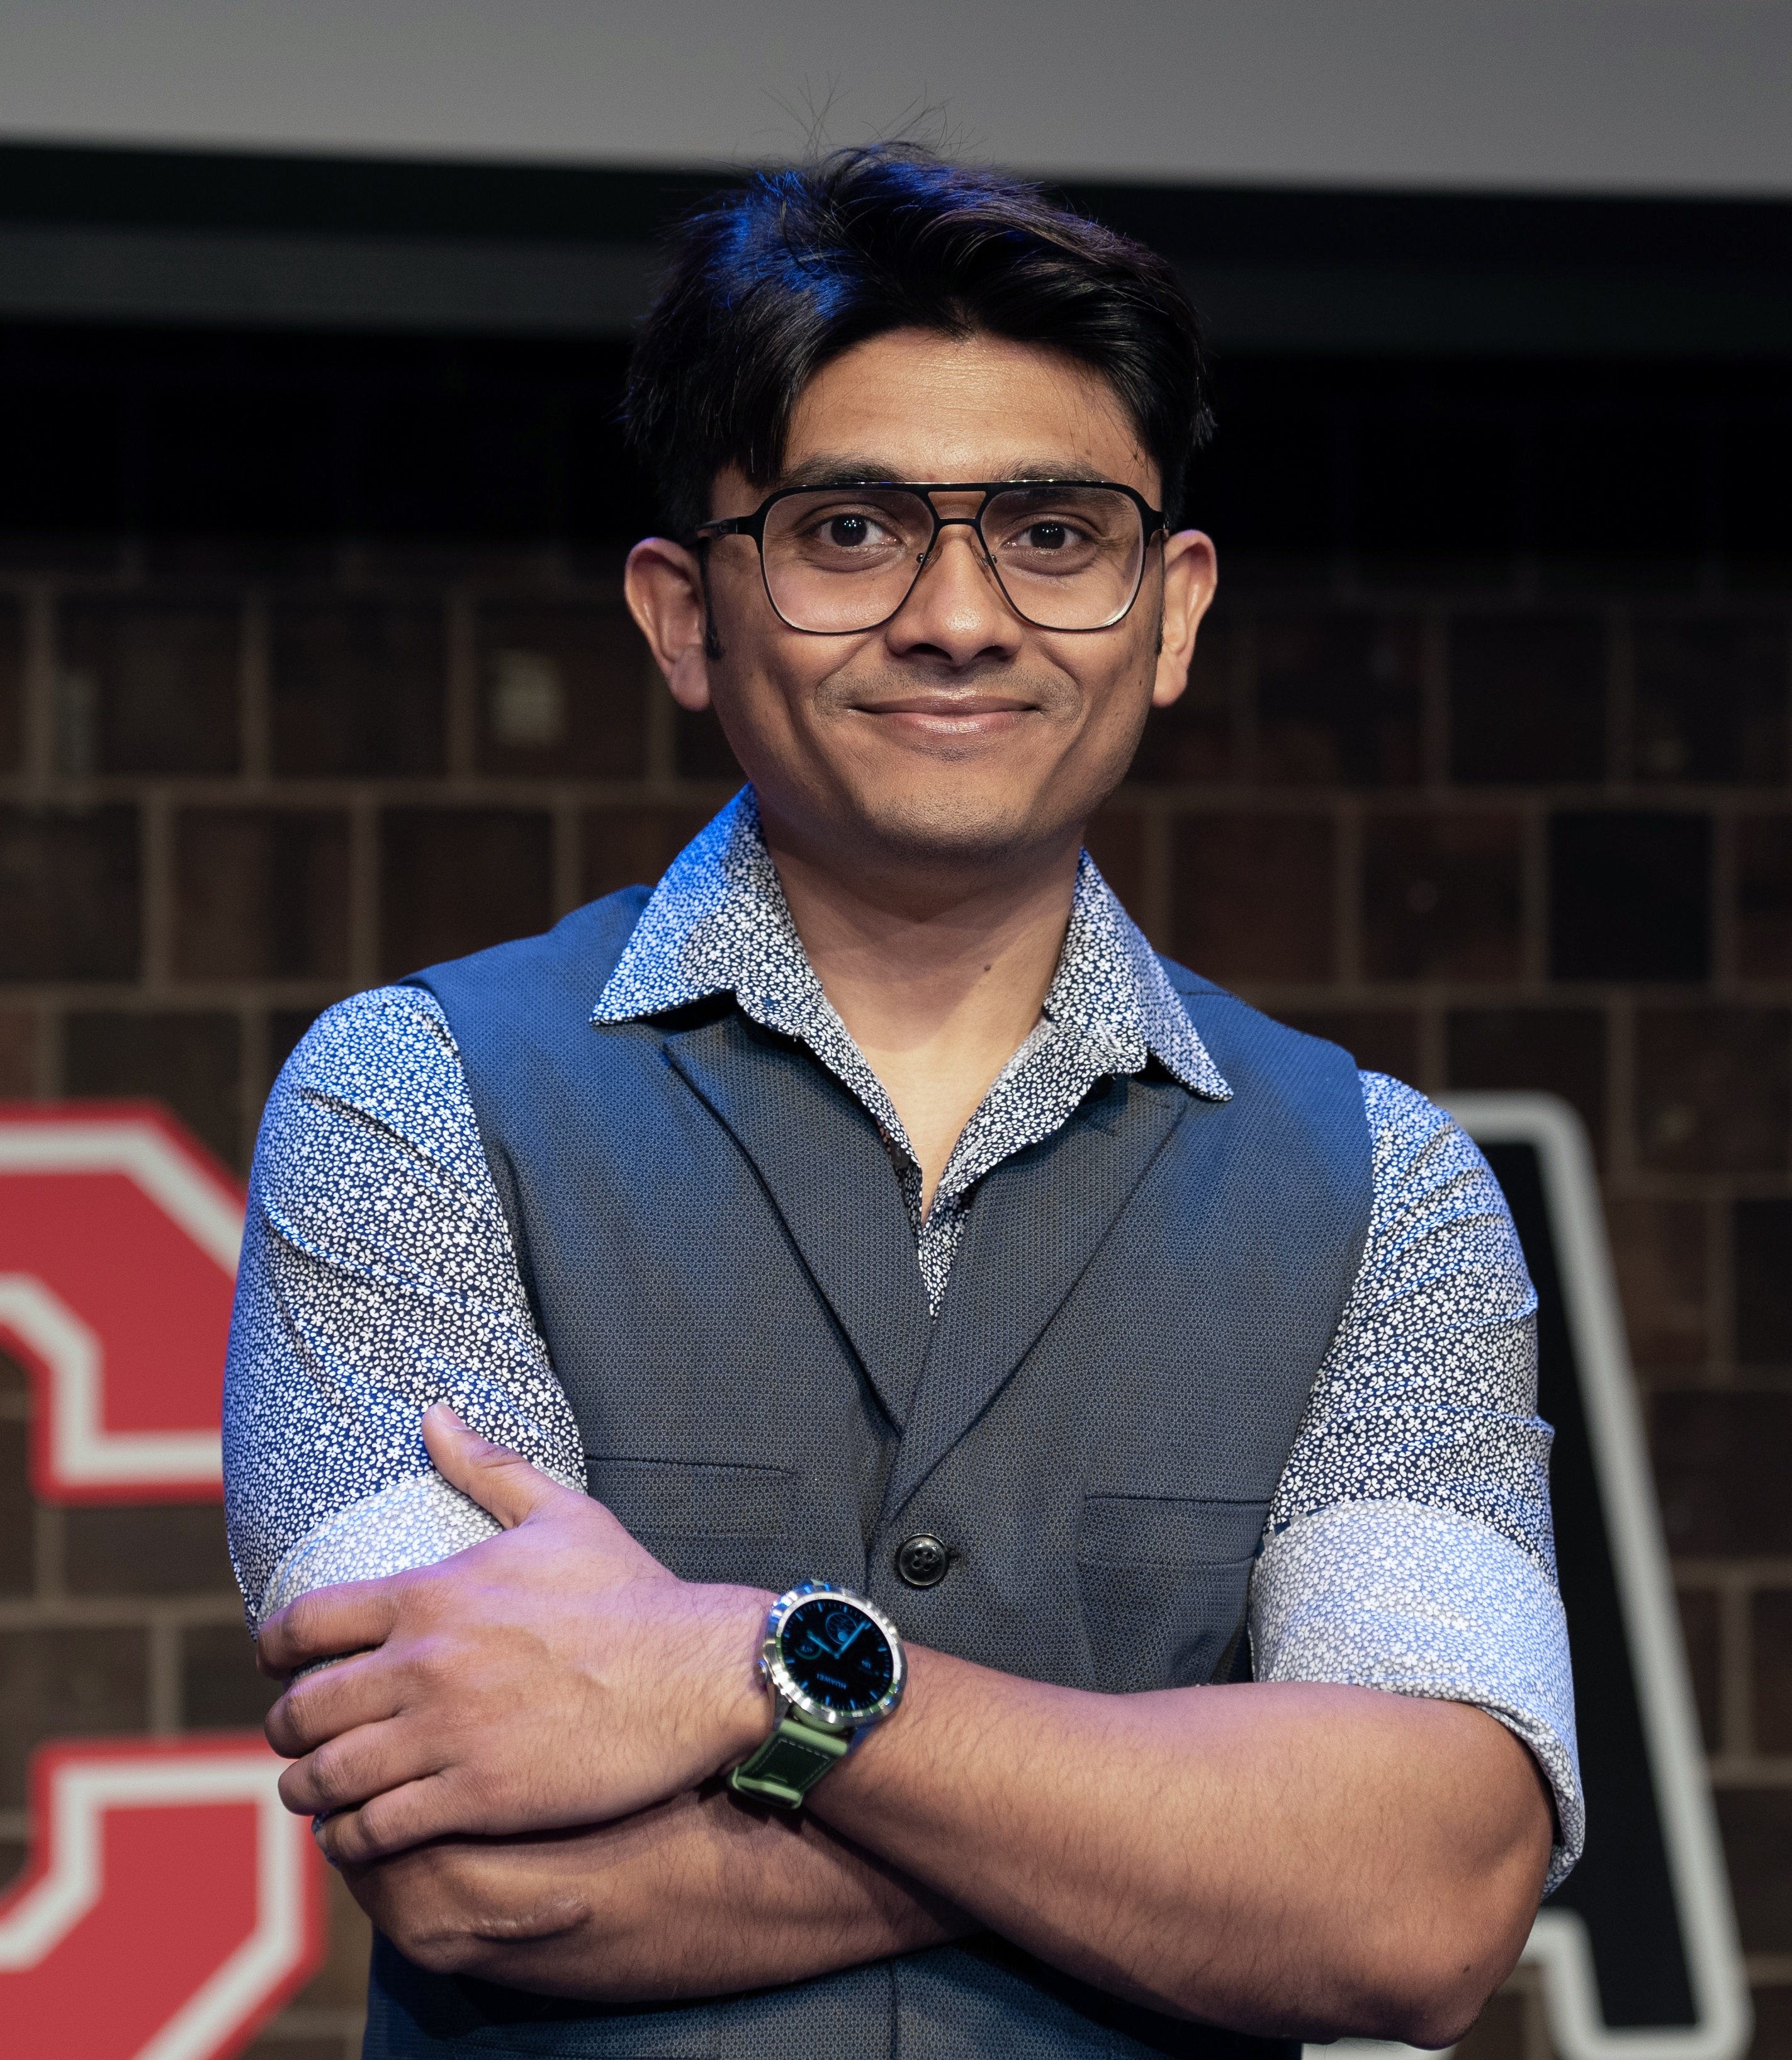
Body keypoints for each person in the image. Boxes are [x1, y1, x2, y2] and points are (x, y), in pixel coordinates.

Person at [225, 147, 1581, 2060]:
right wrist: (1177, 1852)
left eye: (1055, 533)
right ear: (688, 613)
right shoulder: (414, 1103)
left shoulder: (1385, 1187)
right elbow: (479, 1863)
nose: (959, 616)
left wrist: (740, 1670)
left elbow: (1424, 1906)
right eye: (850, 531)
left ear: (1171, 609)